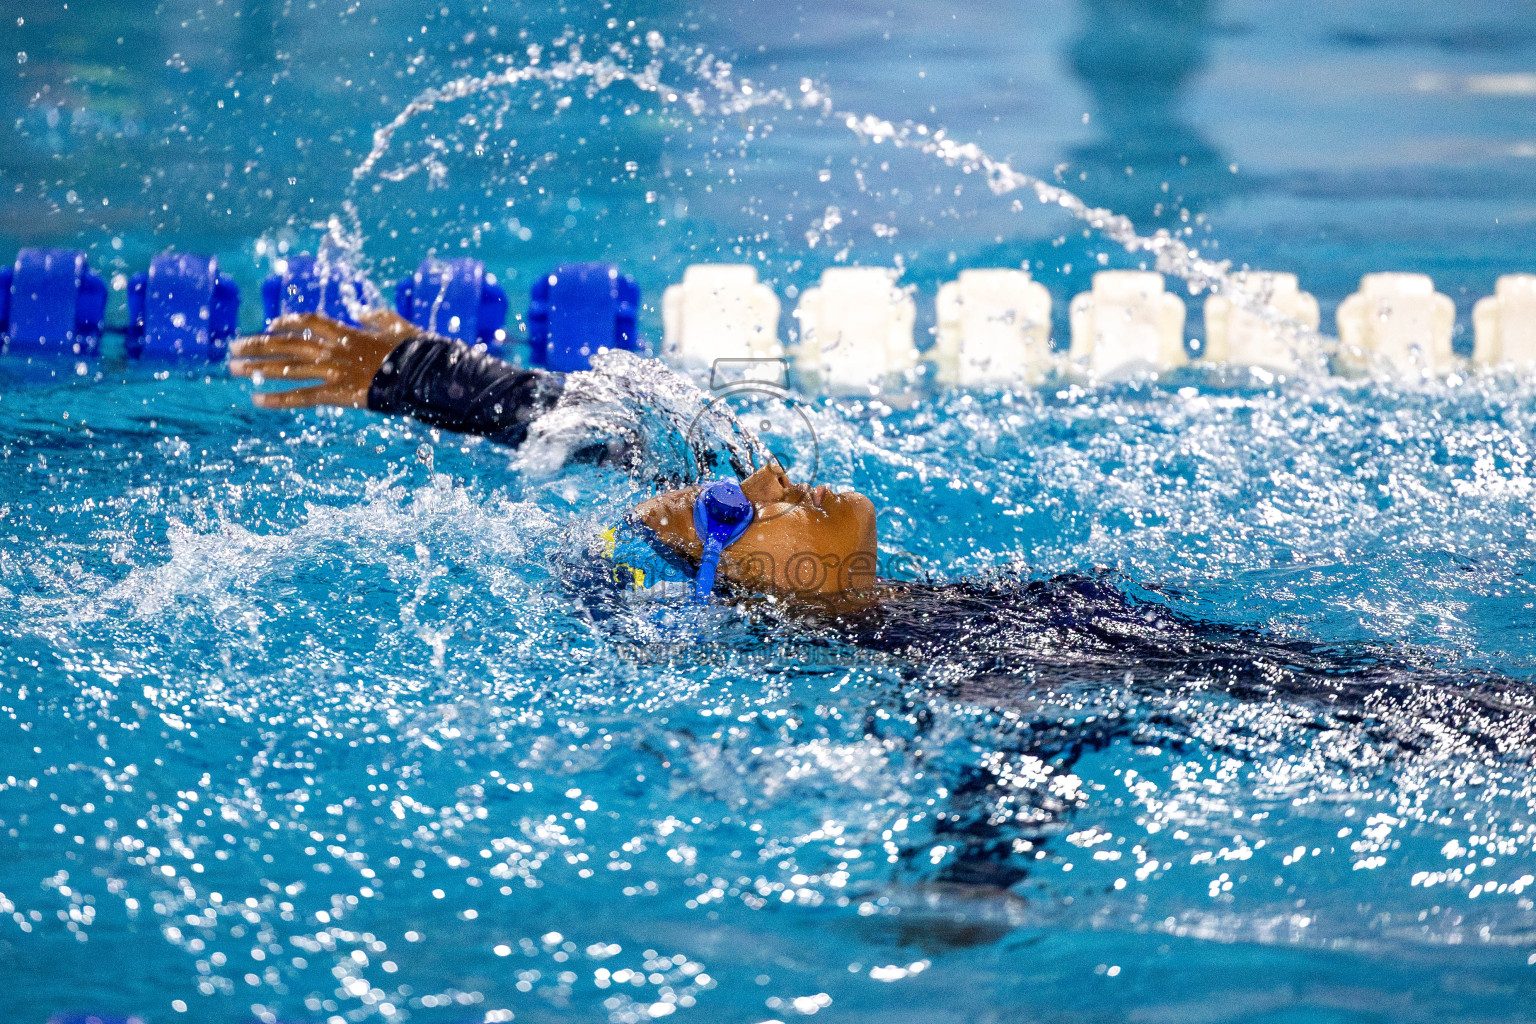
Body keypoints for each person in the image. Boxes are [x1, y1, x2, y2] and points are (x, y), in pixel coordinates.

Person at [229, 311, 879, 603]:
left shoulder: (854, 602)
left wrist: (420, 374)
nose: (769, 476)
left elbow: (625, 430)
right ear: (764, 592)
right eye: (735, 511)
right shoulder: (937, 669)